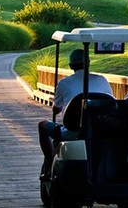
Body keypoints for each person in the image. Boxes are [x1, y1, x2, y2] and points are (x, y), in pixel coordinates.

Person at [38, 49, 113, 179]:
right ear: (88, 63)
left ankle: (49, 164)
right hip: (101, 129)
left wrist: (57, 107)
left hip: (73, 130)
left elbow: (56, 108)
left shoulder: (64, 83)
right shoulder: (102, 80)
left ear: (71, 66)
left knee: (42, 125)